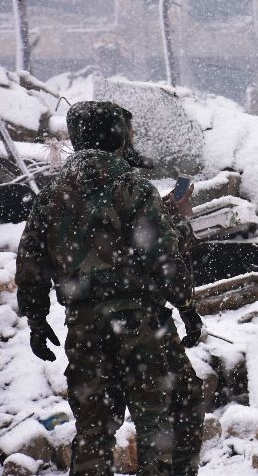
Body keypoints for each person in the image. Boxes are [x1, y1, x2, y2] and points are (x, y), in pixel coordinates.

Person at [16, 101, 204, 476]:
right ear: (116, 135)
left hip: (83, 327)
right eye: (128, 133)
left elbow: (30, 264)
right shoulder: (133, 186)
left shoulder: (51, 196)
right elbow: (162, 255)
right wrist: (186, 306)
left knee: (93, 430)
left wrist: (37, 320)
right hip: (141, 325)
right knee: (158, 421)